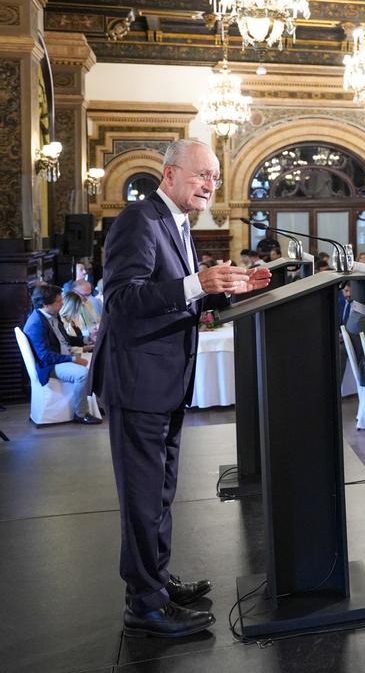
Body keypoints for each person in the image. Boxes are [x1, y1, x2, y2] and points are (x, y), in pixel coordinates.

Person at [91, 138, 271, 638]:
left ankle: (157, 583)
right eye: (200, 176)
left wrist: (230, 290)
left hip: (166, 383)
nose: (210, 185)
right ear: (168, 175)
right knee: (143, 496)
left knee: (162, 492)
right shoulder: (139, 221)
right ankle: (144, 606)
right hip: (138, 383)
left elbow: (180, 305)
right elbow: (124, 300)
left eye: (214, 177)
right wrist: (198, 283)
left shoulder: (179, 225)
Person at [23, 284, 95, 423]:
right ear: (45, 304)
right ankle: (81, 413)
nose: (62, 303)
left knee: (99, 361)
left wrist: (86, 339)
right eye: (58, 301)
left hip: (62, 357)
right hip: (50, 365)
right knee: (82, 374)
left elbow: (65, 339)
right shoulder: (36, 323)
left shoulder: (52, 315)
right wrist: (73, 359)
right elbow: (45, 356)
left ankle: (96, 404)